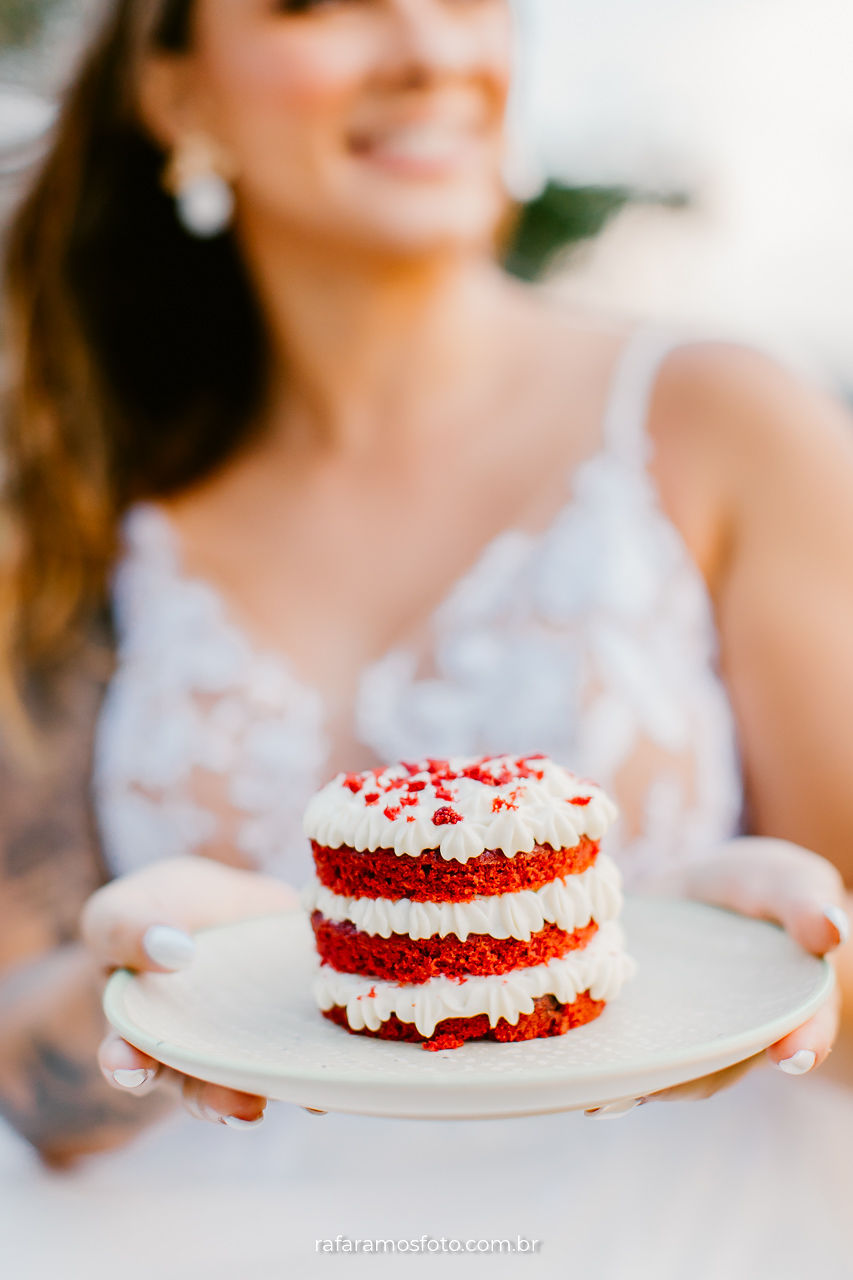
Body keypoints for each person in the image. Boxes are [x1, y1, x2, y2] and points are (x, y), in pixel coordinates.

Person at [1, 2, 852, 1276]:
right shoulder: (68, 494)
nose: (430, 50)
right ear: (176, 95)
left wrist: (760, 965)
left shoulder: (721, 420)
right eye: (317, 3)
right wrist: (148, 993)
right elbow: (23, 1057)